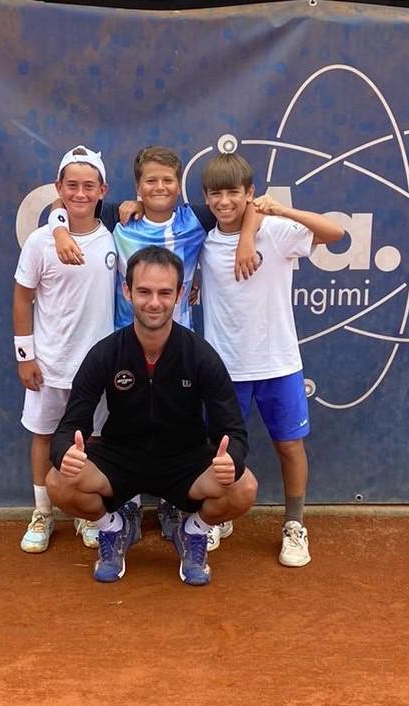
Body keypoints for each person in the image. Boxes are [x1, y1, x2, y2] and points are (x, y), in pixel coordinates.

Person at [47, 145, 260, 540]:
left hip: (179, 345)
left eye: (168, 180)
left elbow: (251, 204)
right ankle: (119, 511)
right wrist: (59, 228)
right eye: (151, 181)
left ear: (179, 187)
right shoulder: (116, 216)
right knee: (112, 429)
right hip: (127, 342)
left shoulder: (196, 216)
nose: (159, 187)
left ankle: (181, 513)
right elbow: (67, 206)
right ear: (137, 188)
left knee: (187, 427)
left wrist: (248, 238)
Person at [47, 246, 258, 585]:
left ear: (180, 294)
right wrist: (64, 453)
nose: (154, 302)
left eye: (164, 292)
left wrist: (231, 458)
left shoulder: (201, 356)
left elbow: (233, 429)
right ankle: (112, 529)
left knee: (244, 487)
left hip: (185, 463)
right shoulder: (106, 353)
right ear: (127, 291)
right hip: (120, 460)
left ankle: (193, 531)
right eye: (144, 291)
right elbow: (70, 426)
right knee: (58, 481)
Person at [198, 151, 345, 567]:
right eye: (215, 194)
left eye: (233, 193)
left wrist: (276, 209)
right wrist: (245, 233)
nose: (224, 202)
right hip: (224, 368)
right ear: (206, 198)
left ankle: (294, 525)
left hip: (279, 364)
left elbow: (335, 233)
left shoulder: (277, 231)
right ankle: (218, 516)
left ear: (250, 194)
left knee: (289, 446)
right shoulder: (205, 243)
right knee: (219, 450)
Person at [13, 146, 116, 553]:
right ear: (59, 188)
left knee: (90, 441)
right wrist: (26, 357)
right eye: (71, 185)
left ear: (102, 190)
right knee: (43, 436)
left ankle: (85, 512)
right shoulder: (40, 242)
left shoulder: (113, 237)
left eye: (88, 186)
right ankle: (42, 512)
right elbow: (22, 299)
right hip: (49, 365)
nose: (79, 193)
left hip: (98, 371)